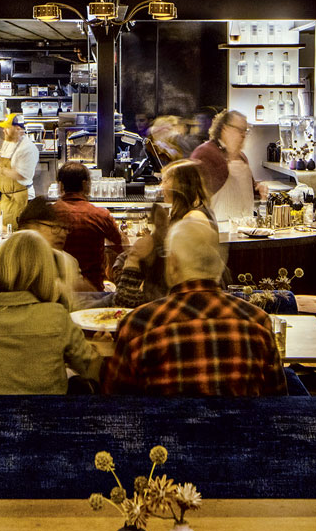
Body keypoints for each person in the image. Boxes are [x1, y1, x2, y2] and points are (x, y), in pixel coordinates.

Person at [105, 218, 286, 397]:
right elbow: (278, 401)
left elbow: (117, 402)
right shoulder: (258, 322)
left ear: (173, 263)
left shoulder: (138, 325)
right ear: (219, 265)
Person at [0, 230, 102, 394]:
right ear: (46, 273)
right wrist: (97, 349)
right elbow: (85, 365)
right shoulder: (56, 316)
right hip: (47, 410)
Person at [112, 160, 218, 307]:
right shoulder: (184, 214)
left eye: (166, 180)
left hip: (183, 300)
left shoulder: (194, 218)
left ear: (181, 184)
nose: (161, 186)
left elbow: (186, 267)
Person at [190, 109, 267, 224]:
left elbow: (245, 190)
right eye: (239, 130)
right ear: (225, 129)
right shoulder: (205, 153)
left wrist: (258, 189)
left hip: (244, 227)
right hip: (215, 227)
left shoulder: (242, 157)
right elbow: (195, 194)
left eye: (245, 131)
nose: (243, 135)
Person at [55, 162, 123, 290]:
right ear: (85, 185)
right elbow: (121, 247)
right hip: (94, 290)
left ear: (61, 186)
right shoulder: (101, 215)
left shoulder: (49, 214)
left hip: (57, 291)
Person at [0, 113, 39, 228]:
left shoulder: (28, 148)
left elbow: (22, 175)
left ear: (18, 129)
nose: (4, 131)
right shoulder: (8, 143)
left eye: (7, 128)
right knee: (3, 232)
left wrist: (1, 170)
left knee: (17, 232)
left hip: (21, 200)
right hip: (6, 199)